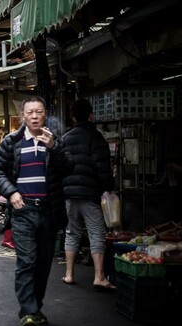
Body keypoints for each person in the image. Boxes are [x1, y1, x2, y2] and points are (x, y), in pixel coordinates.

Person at [0, 96, 72, 326]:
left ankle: (35, 307)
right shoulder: (12, 141)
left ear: (45, 114)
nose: (35, 116)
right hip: (23, 210)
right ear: (23, 117)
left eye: (39, 112)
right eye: (30, 112)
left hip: (49, 210)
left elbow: (69, 168)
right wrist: (11, 192)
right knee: (27, 261)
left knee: (44, 264)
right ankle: (27, 312)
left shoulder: (54, 142)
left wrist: (53, 148)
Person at [61, 98, 115, 289]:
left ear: (73, 117)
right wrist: (109, 186)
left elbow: (59, 167)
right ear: (91, 115)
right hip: (90, 193)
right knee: (96, 233)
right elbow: (102, 166)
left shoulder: (65, 138)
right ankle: (99, 276)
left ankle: (69, 274)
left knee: (71, 233)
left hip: (69, 193)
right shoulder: (96, 137)